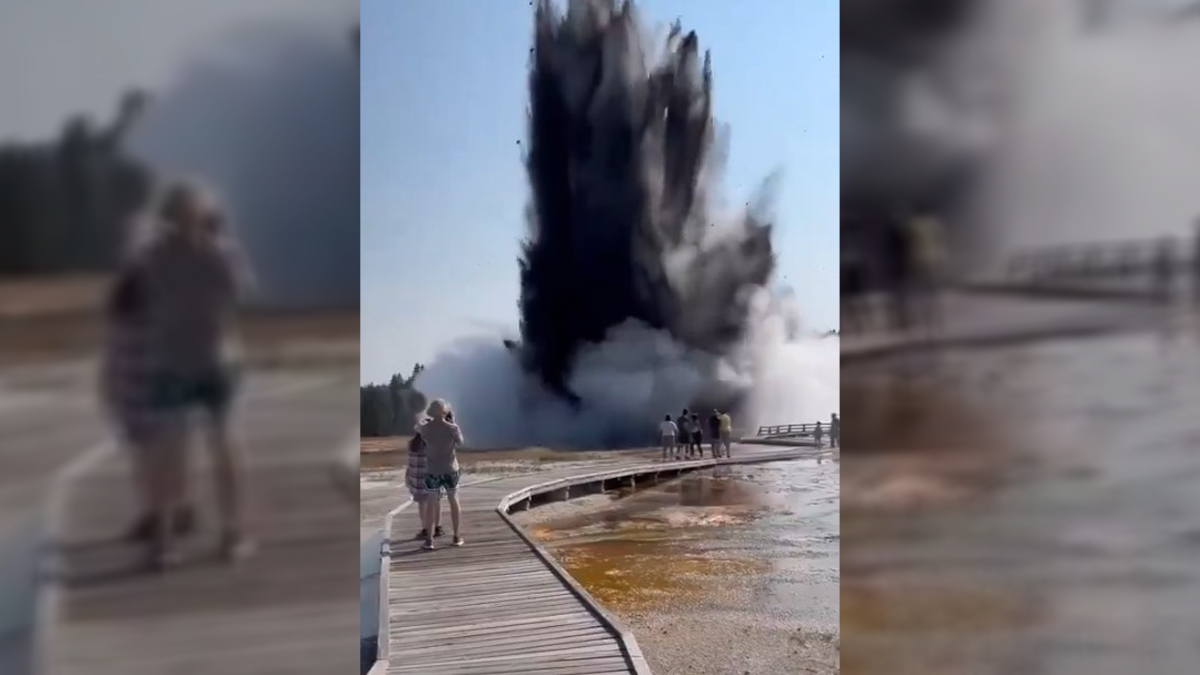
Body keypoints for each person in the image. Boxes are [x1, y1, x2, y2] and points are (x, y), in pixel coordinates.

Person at [139, 178, 255, 566]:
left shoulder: (210, 255)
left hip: (210, 361)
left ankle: (229, 531)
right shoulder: (173, 255)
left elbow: (236, 295)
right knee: (174, 453)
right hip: (179, 361)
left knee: (220, 448)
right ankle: (167, 538)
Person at [98, 268, 192, 569]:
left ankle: (162, 526)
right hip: (160, 396)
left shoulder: (119, 300)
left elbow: (109, 355)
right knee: (165, 468)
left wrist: (108, 395)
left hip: (132, 397)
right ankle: (167, 534)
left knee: (147, 470)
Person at [416, 399, 465, 550]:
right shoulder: (452, 428)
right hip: (450, 468)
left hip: (432, 470)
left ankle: (429, 540)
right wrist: (453, 422)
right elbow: (460, 442)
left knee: (431, 503)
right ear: (445, 412)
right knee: (453, 501)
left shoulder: (425, 428)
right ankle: (456, 536)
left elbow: (419, 430)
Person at [406, 433, 443, 540]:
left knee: (422, 505)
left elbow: (410, 463)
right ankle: (437, 527)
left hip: (417, 480)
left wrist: (408, 478)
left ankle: (425, 528)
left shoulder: (412, 444)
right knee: (436, 502)